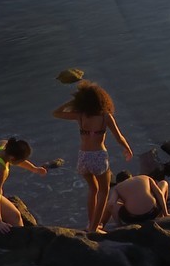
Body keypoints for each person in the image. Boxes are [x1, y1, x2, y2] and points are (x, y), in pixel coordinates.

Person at [53, 82, 133, 233]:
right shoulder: (105, 117)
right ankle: (94, 228)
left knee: (92, 189)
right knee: (104, 191)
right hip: (98, 156)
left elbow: (56, 113)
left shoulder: (80, 116)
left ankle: (90, 224)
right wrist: (127, 148)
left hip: (83, 157)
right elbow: (119, 136)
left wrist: (74, 102)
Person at [102, 170, 170, 226]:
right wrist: (166, 213)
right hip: (153, 212)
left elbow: (110, 204)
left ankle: (102, 224)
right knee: (164, 183)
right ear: (132, 177)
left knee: (109, 203)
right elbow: (159, 193)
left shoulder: (117, 187)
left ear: (118, 182)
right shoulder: (145, 177)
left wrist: (118, 224)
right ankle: (162, 215)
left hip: (132, 217)